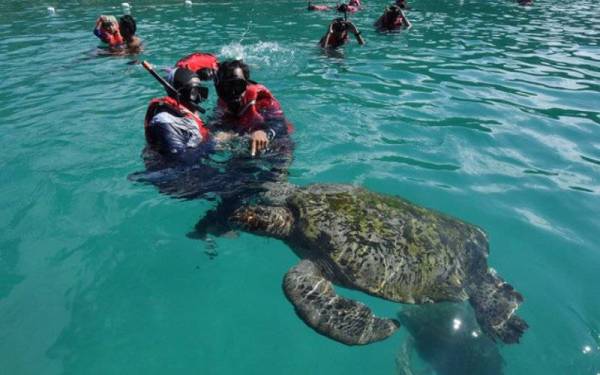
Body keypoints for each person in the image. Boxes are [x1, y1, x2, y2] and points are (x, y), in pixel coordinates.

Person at [212, 59, 290, 157]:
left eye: (238, 85)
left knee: (281, 150)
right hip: (244, 146)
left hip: (274, 145)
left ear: (247, 83)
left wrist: (264, 132)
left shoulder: (262, 101)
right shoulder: (222, 103)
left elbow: (280, 126)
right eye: (226, 87)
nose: (232, 92)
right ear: (219, 89)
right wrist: (220, 134)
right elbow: (216, 123)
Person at [144, 67, 210, 157]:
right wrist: (213, 144)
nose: (199, 97)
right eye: (194, 92)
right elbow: (180, 160)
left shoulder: (184, 114)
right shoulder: (165, 121)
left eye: (200, 91)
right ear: (180, 93)